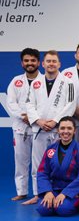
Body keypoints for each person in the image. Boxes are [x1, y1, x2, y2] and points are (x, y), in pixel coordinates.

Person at [26, 50, 76, 205]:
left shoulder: (67, 82)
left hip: (59, 130)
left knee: (59, 164)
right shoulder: (36, 83)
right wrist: (38, 121)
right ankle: (37, 193)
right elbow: (29, 104)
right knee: (38, 163)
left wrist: (56, 121)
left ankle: (58, 191)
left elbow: (71, 104)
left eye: (54, 61)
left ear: (59, 64)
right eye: (48, 61)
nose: (51, 64)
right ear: (43, 64)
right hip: (39, 128)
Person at [6, 48, 43, 202]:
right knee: (20, 160)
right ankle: (21, 191)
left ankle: (37, 192)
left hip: (38, 127)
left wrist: (34, 118)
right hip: (20, 126)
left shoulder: (43, 81)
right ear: (22, 63)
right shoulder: (16, 81)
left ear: (38, 62)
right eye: (26, 60)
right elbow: (10, 103)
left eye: (33, 60)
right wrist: (23, 116)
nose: (30, 63)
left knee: (38, 163)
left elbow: (44, 104)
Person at [35, 116, 79, 216]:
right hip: (55, 188)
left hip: (74, 191)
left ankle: (77, 202)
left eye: (69, 128)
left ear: (74, 131)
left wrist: (66, 193)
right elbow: (42, 172)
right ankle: (55, 198)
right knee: (43, 209)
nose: (66, 131)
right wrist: (47, 192)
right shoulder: (50, 149)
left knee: (63, 209)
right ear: (58, 130)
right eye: (62, 128)